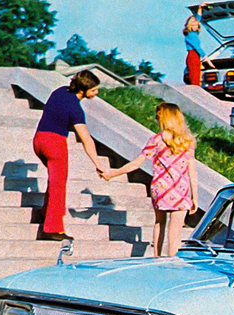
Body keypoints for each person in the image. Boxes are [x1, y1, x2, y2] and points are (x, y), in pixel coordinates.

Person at [102, 103, 199, 256]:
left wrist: (113, 173)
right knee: (176, 229)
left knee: (159, 222)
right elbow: (192, 172)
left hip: (161, 188)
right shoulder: (187, 142)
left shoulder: (156, 140)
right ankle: (172, 259)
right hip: (181, 189)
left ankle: (157, 256)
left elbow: (136, 164)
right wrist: (195, 197)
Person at [33, 70, 106, 241]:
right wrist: (98, 163)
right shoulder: (76, 109)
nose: (96, 92)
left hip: (38, 140)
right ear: (83, 90)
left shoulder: (59, 91)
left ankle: (45, 214)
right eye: (94, 90)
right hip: (55, 143)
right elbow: (86, 139)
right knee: (58, 184)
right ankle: (53, 229)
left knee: (54, 179)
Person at [183, 2, 214, 86]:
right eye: (194, 25)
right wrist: (207, 59)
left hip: (195, 56)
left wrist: (200, 8)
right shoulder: (191, 35)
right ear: (190, 25)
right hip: (193, 56)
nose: (196, 27)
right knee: (195, 79)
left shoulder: (193, 33)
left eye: (197, 25)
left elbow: (198, 19)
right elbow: (198, 47)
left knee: (197, 78)